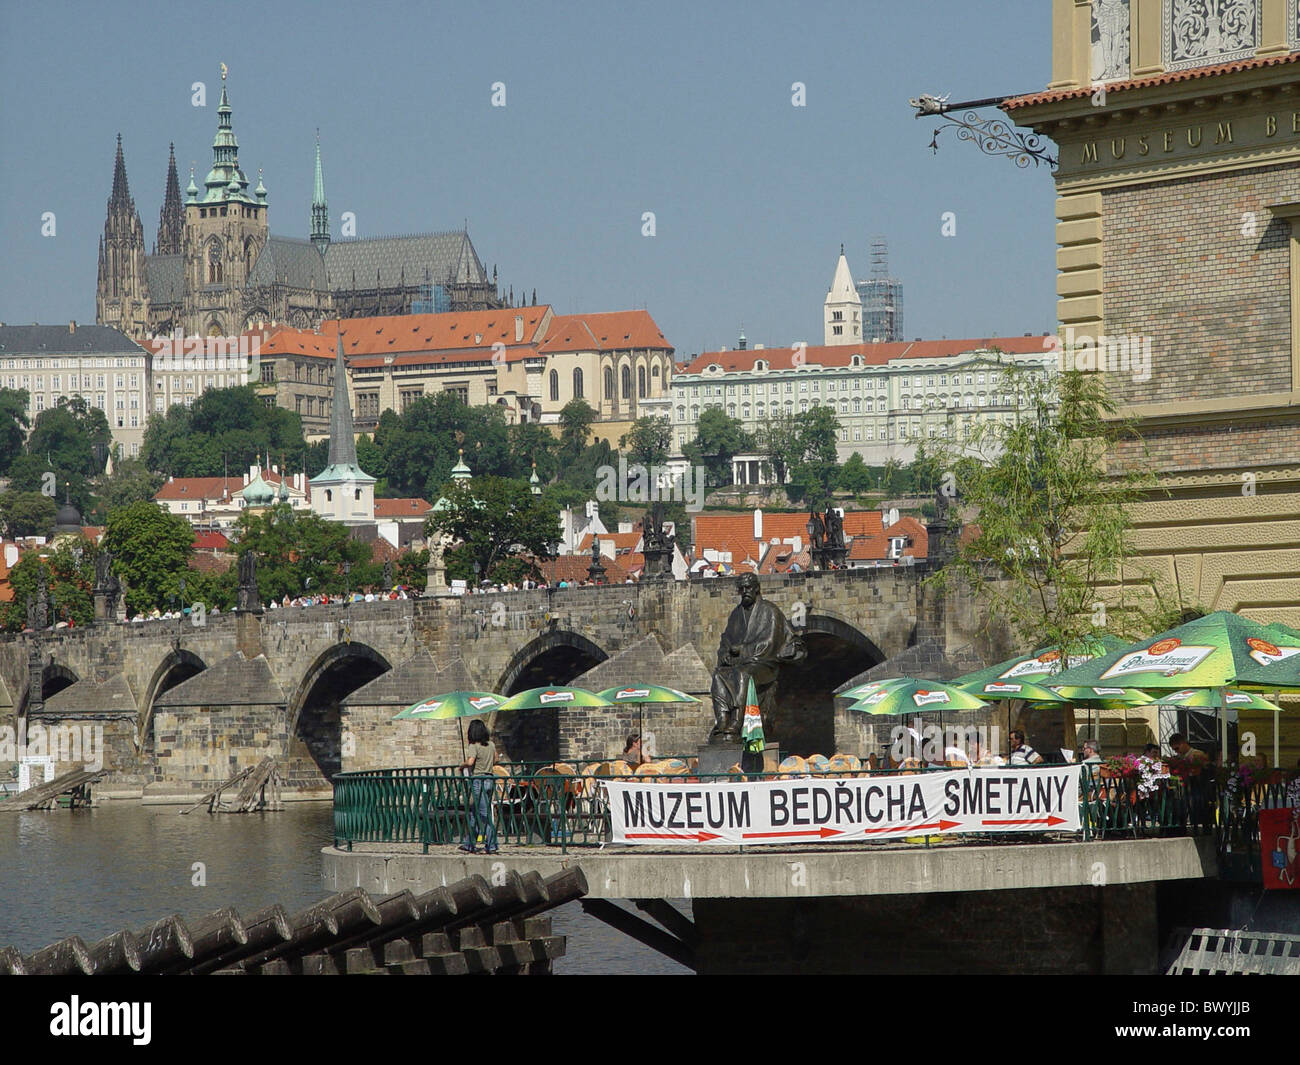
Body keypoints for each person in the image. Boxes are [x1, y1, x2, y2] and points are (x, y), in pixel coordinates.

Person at [459, 719, 498, 854]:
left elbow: (470, 762)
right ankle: (469, 842)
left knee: (483, 814)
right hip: (490, 779)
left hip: (478, 780)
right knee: (474, 813)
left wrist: (462, 765)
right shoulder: (491, 745)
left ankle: (491, 844)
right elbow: (496, 759)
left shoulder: (473, 746)